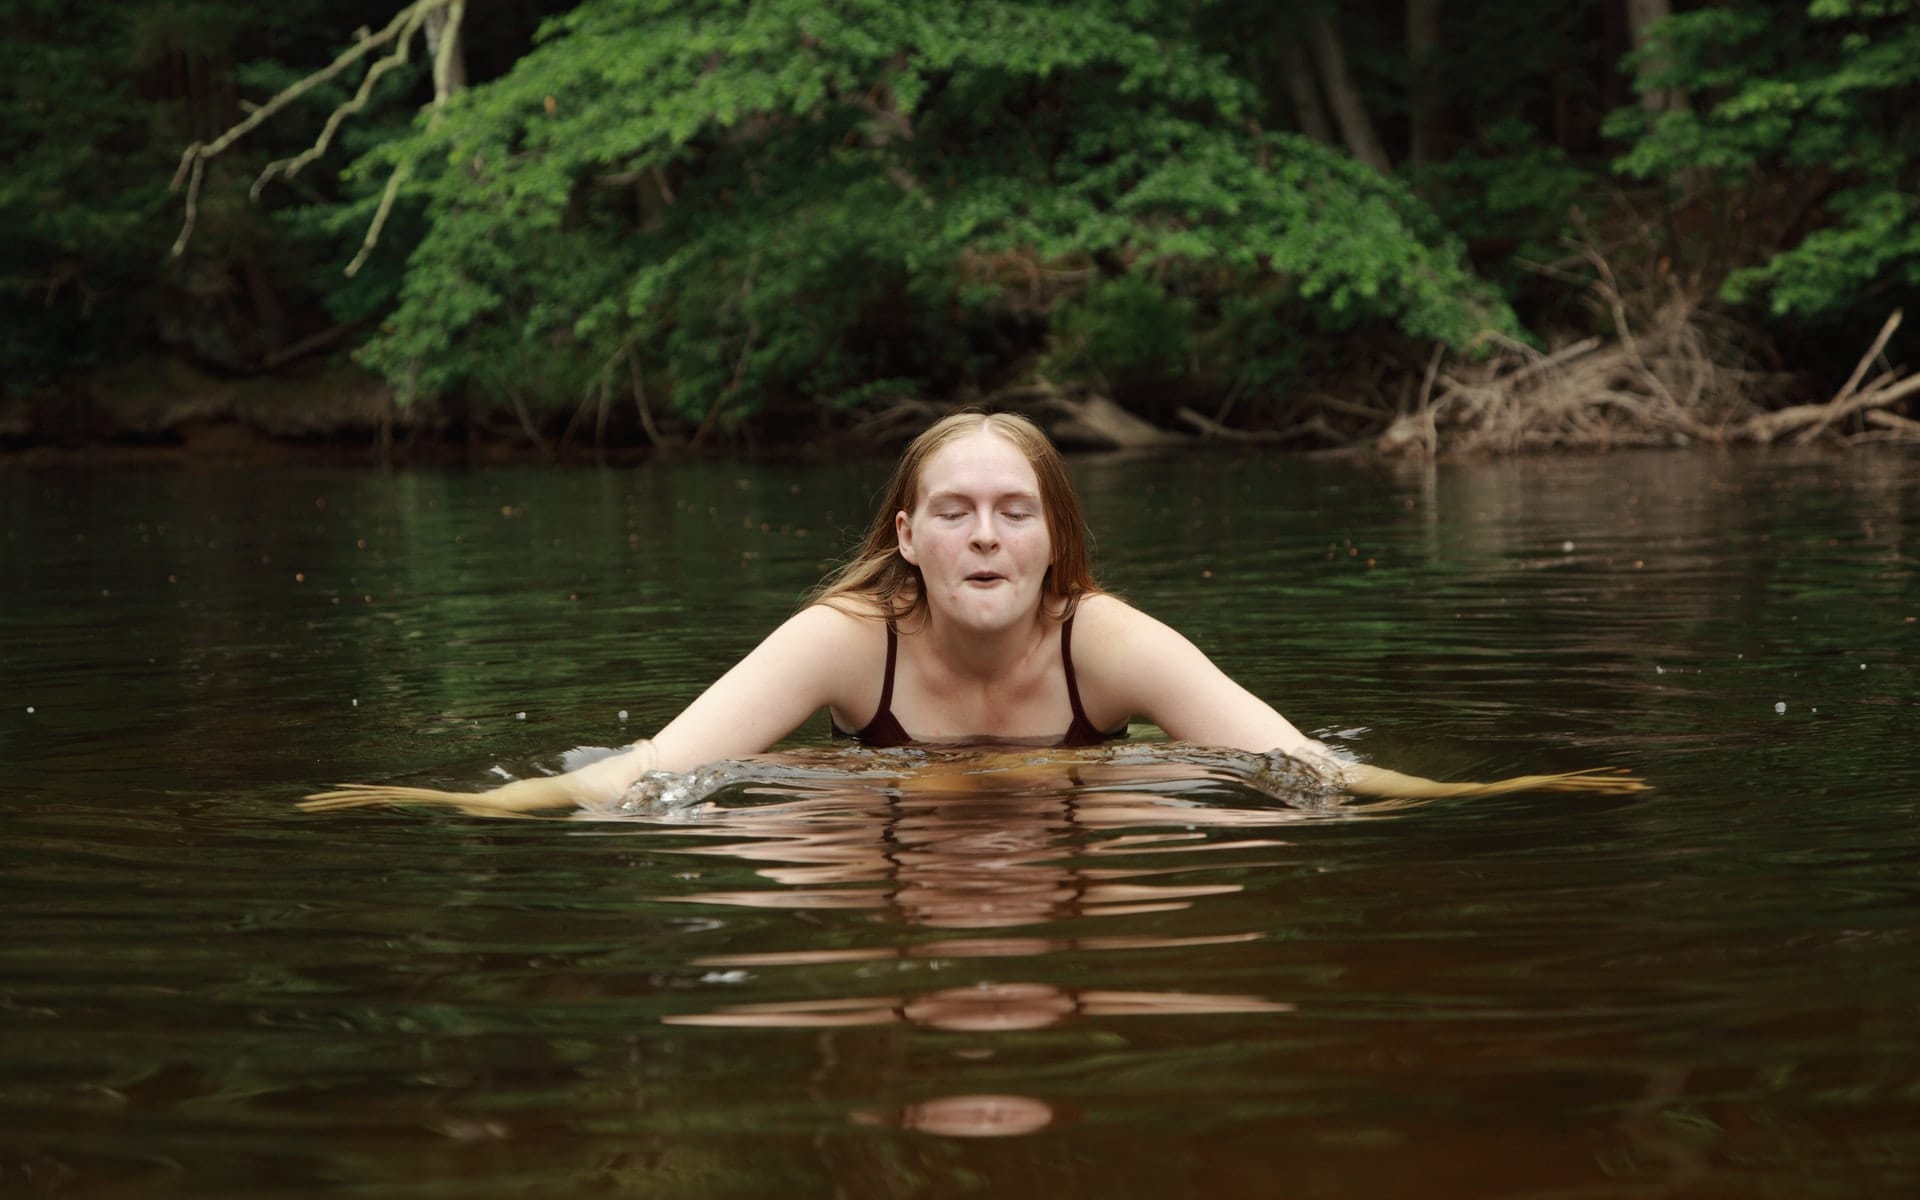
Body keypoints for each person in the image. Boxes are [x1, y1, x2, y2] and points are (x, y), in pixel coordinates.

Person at [301, 411, 1643, 815]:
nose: (986, 533)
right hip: (881, 840)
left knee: (1161, 819)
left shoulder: (1105, 637)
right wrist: (458, 811)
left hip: (1076, 822)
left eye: (1014, 509)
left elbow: (1306, 769)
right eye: (955, 510)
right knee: (778, 833)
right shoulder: (848, 635)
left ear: (1055, 537)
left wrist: (1496, 794)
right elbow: (656, 772)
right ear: (909, 535)